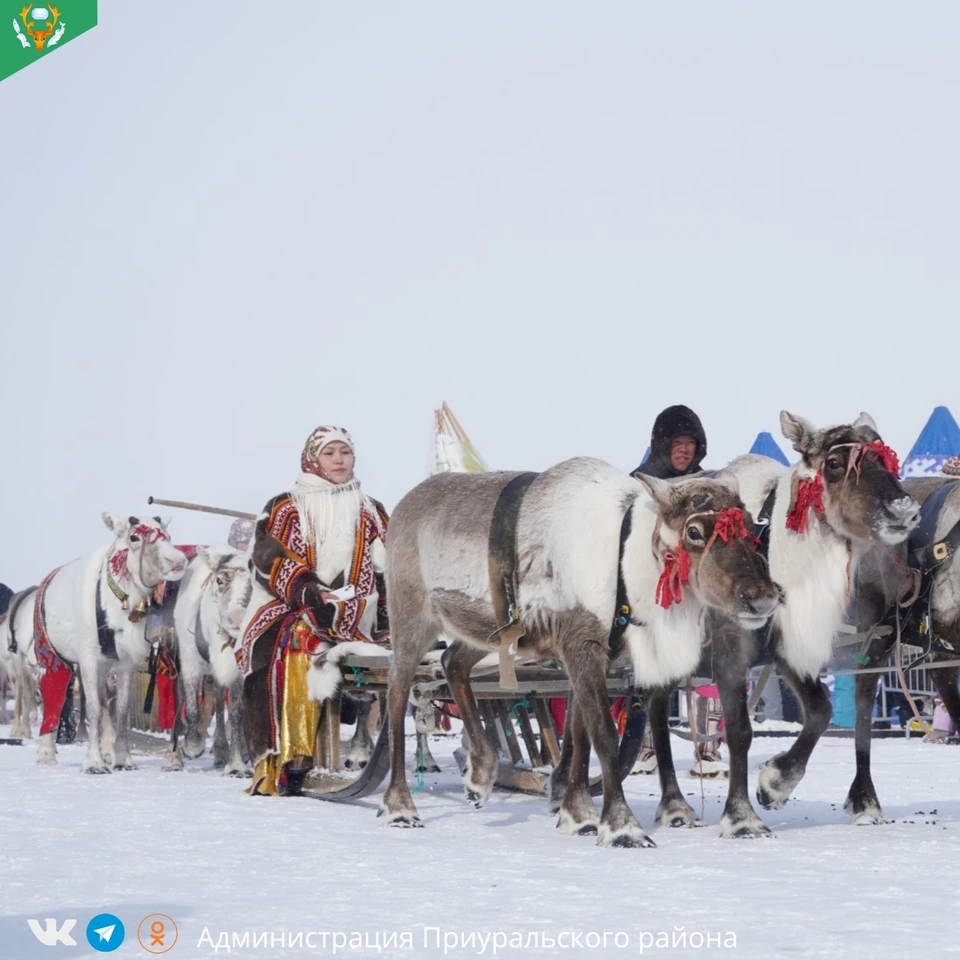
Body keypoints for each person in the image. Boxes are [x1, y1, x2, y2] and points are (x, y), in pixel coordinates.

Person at [239, 426, 389, 796]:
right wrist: (307, 590)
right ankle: (289, 757)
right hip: (287, 605)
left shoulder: (372, 510)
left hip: (356, 612)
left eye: (345, 452)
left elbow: (388, 570)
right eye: (329, 453)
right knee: (299, 638)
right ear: (312, 458)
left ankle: (367, 742)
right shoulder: (286, 505)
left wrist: (386, 615)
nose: (339, 460)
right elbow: (266, 558)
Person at [630, 405, 728, 778]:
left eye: (690, 444)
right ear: (662, 445)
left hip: (700, 594)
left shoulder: (711, 487)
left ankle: (708, 749)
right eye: (677, 443)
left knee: (706, 670)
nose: (684, 450)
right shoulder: (639, 486)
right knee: (648, 671)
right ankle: (645, 747)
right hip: (653, 592)